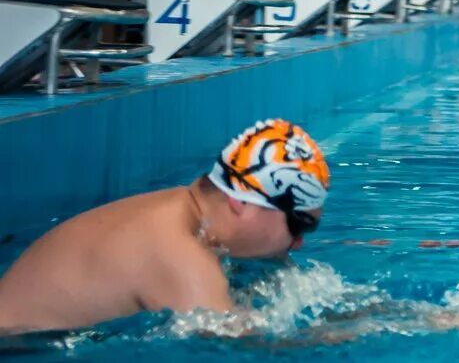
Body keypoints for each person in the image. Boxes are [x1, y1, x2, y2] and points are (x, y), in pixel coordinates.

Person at [0, 119, 328, 335]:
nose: (298, 242)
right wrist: (335, 336)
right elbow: (245, 345)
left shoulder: (176, 209)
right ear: (243, 201)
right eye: (300, 225)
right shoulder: (181, 254)